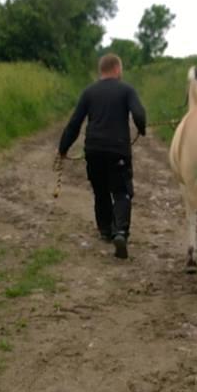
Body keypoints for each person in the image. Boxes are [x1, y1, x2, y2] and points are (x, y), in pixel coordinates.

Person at [58, 54, 146, 259]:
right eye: (120, 70)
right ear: (116, 69)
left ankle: (106, 230)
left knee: (100, 190)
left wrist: (63, 148)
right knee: (122, 191)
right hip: (118, 150)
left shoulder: (89, 92)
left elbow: (74, 123)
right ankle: (121, 232)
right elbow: (139, 114)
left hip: (94, 151)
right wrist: (141, 129)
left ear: (101, 71)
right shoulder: (126, 90)